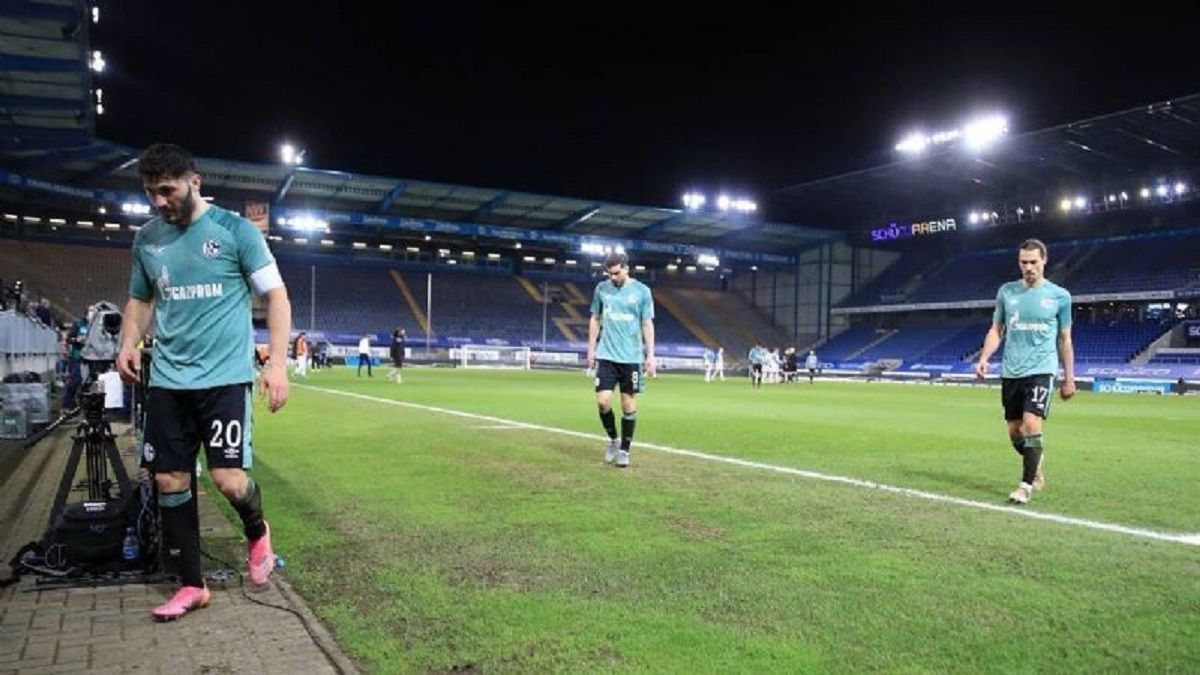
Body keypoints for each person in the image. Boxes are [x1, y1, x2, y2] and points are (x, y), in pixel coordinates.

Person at [116, 143, 292, 621]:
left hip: (224, 380)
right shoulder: (147, 239)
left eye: (167, 190)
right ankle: (192, 585)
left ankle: (256, 530)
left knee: (228, 481)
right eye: (151, 192)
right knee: (169, 478)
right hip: (169, 379)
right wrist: (129, 341)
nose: (159, 201)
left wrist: (277, 363)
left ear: (195, 182)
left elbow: (277, 297)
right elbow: (140, 300)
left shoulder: (236, 232)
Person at [975, 238, 1075, 505]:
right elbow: (997, 329)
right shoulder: (1006, 292)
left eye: (1033, 262)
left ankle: (1025, 486)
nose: (1028, 267)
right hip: (1011, 370)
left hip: (1042, 368)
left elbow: (1065, 338)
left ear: (1044, 261)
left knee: (1031, 423)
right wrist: (984, 357)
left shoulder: (1060, 296)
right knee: (1015, 431)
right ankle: (1036, 460)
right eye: (1023, 262)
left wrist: (1069, 378)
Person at [587, 252, 655, 469]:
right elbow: (595, 318)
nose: (613, 277)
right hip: (606, 354)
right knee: (603, 401)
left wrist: (650, 355)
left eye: (616, 273)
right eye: (610, 273)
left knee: (628, 404)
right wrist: (591, 349)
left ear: (626, 268)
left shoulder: (642, 291)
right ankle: (614, 440)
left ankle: (625, 450)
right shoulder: (601, 289)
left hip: (631, 357)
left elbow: (647, 323)